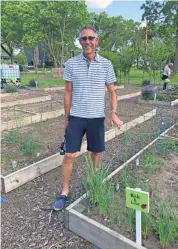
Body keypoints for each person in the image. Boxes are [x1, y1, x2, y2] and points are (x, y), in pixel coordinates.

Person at [53, 25, 123, 211]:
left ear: (97, 41)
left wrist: (113, 113)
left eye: (91, 38)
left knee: (96, 153)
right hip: (76, 117)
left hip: (96, 118)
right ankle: (64, 191)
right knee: (69, 155)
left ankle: (92, 182)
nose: (87, 42)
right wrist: (67, 119)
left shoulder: (106, 64)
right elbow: (67, 92)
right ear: (79, 41)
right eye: (84, 38)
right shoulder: (71, 64)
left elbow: (112, 92)